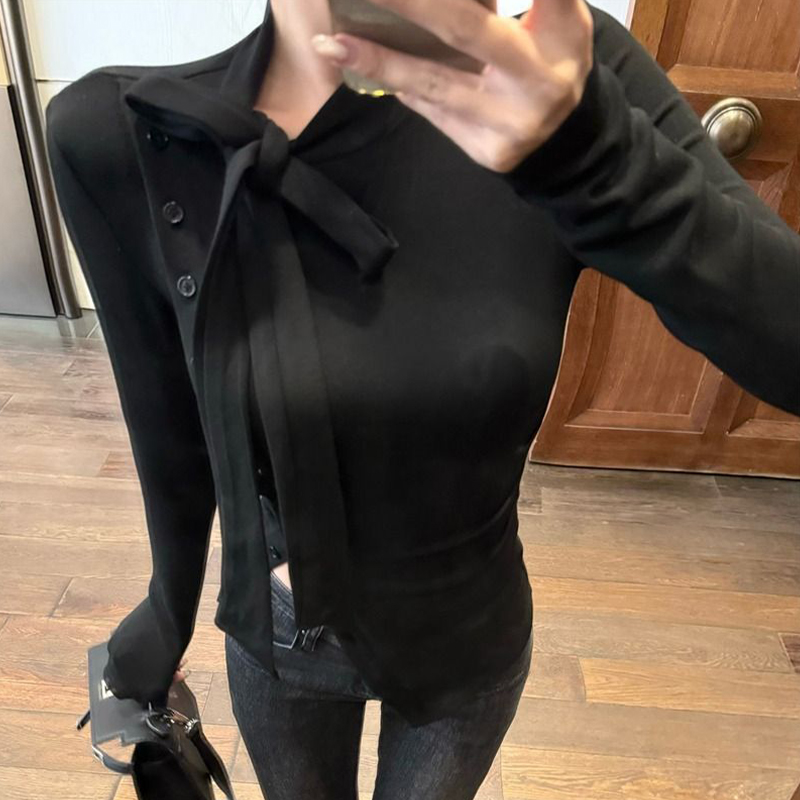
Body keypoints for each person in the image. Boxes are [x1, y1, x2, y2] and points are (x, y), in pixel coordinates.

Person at [45, 0, 800, 798]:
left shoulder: (566, 79)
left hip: (469, 638)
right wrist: (168, 605)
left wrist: (594, 162)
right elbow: (166, 415)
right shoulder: (129, 135)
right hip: (283, 637)